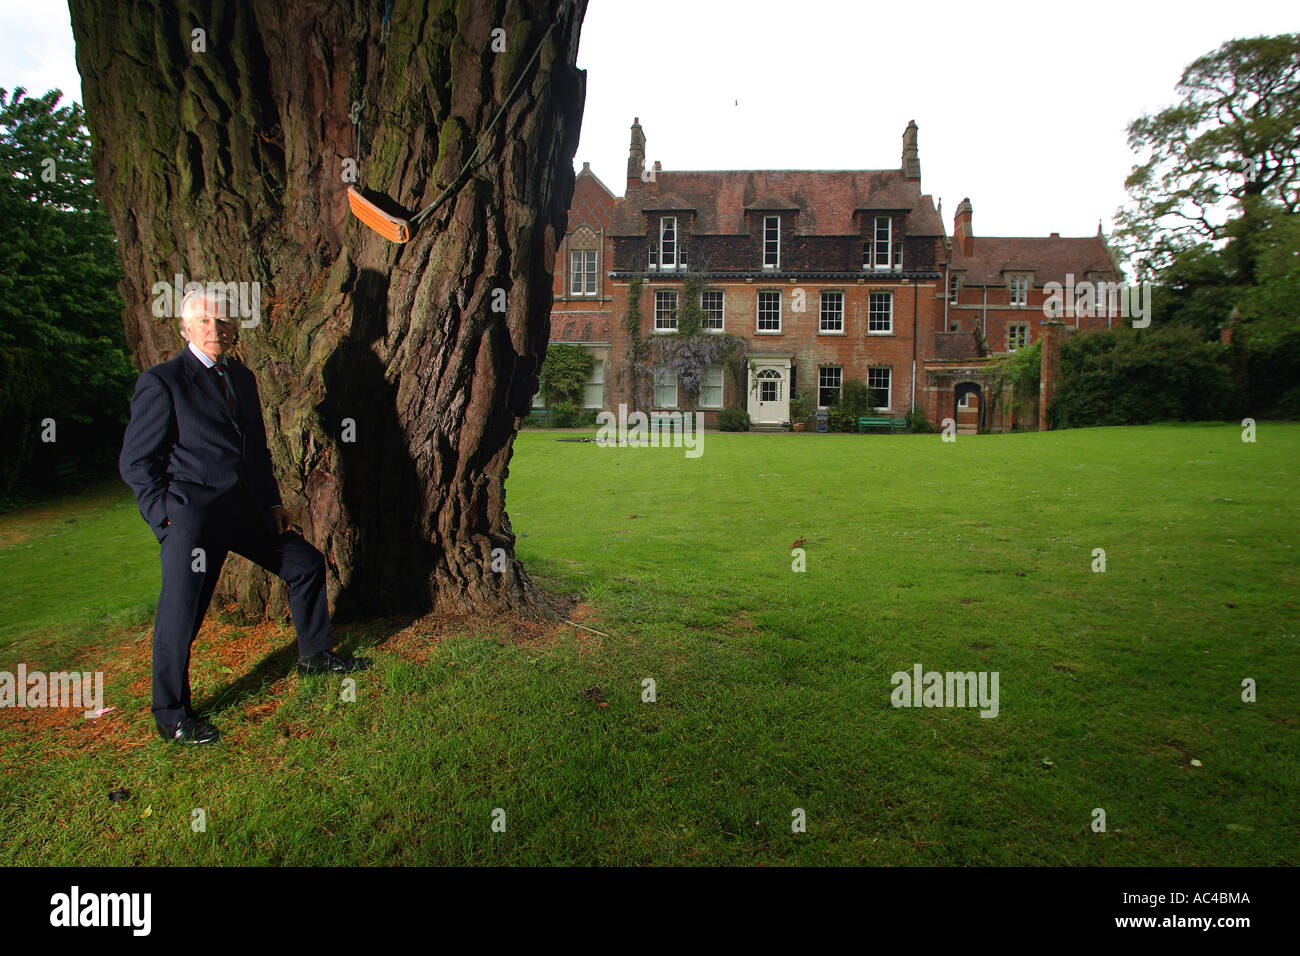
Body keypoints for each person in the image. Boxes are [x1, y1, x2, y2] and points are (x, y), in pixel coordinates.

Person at [119, 288, 369, 745]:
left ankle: (314, 654)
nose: (215, 330)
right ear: (186, 329)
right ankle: (171, 714)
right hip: (191, 517)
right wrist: (164, 517)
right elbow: (136, 462)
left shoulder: (242, 377)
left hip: (243, 509)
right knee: (183, 614)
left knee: (305, 564)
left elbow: (255, 450)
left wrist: (272, 503)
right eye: (204, 323)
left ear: (233, 327)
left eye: (222, 322)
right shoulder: (164, 381)